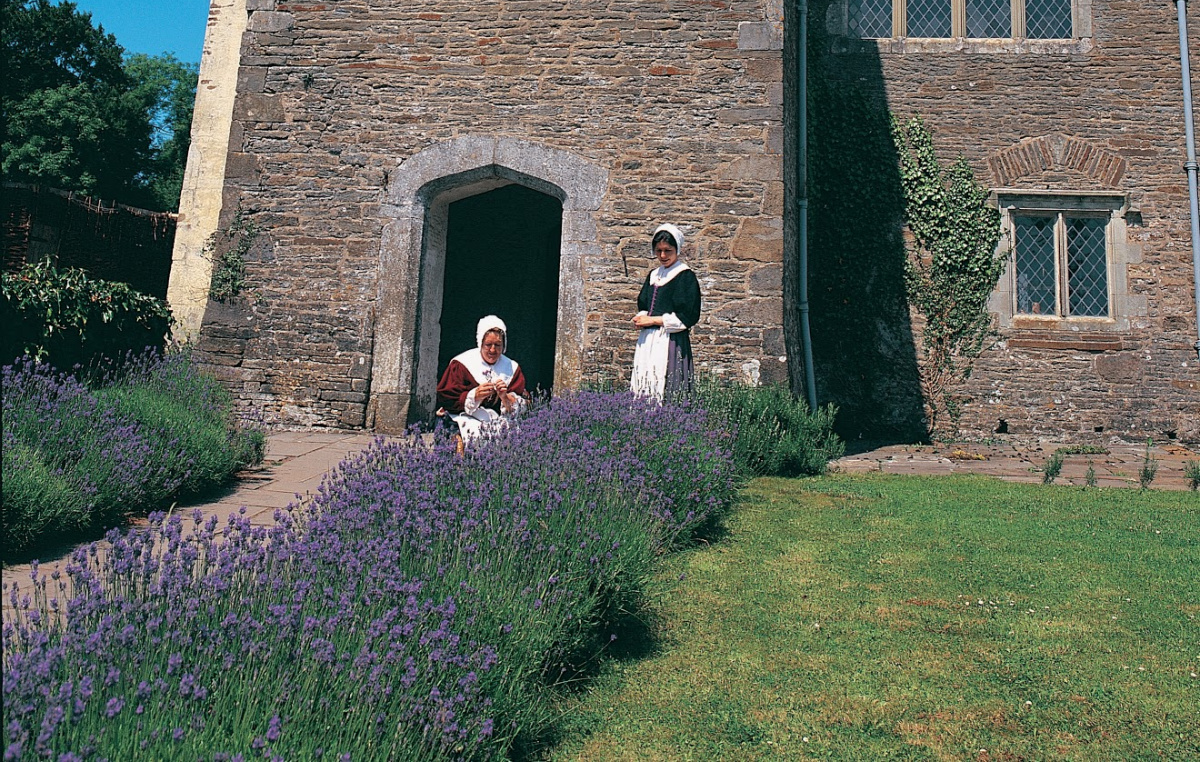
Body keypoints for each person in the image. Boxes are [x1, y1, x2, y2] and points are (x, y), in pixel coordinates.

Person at [630, 223, 702, 401]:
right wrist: (641, 317)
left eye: (668, 250)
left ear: (677, 249)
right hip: (648, 340)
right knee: (644, 380)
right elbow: (645, 304)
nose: (662, 255)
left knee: (666, 383)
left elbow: (687, 316)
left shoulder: (685, 276)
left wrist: (653, 321)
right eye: (658, 250)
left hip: (670, 340)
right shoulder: (654, 274)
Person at [436, 315, 529, 443]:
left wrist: (505, 398)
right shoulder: (461, 363)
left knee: (513, 435)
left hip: (497, 420)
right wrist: (474, 396)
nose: (493, 350)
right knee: (471, 434)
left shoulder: (511, 368)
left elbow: (523, 403)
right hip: (467, 417)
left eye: (498, 345)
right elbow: (446, 397)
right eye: (488, 345)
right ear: (480, 343)